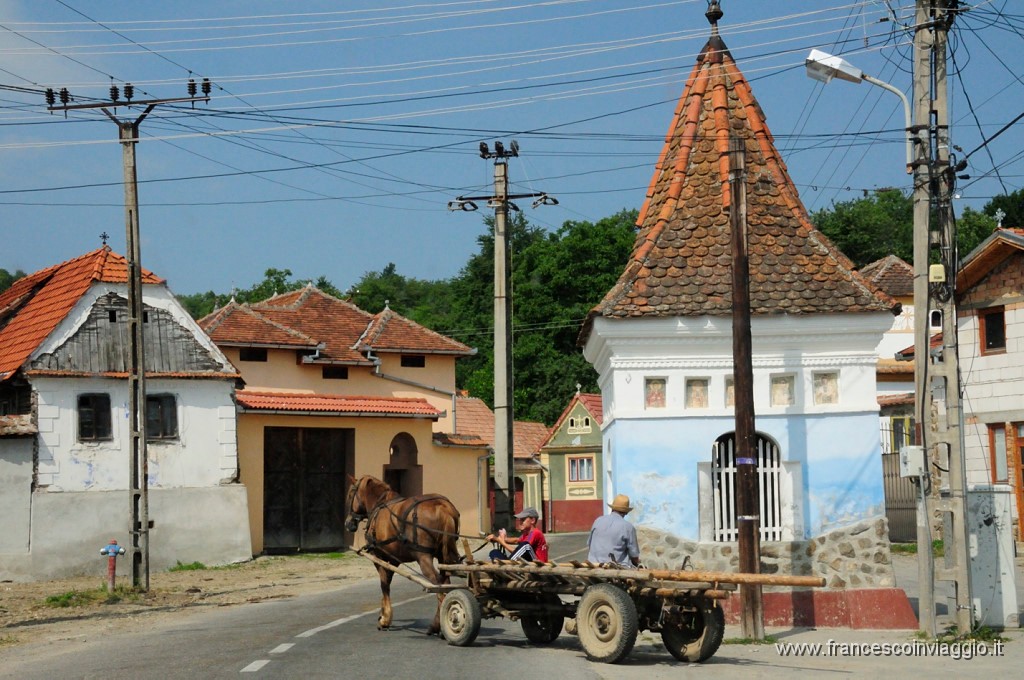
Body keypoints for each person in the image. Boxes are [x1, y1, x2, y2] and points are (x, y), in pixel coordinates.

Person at [587, 494, 641, 567]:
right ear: (626, 512)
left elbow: (589, 544)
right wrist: (638, 563)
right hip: (615, 567)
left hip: (593, 564)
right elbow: (634, 555)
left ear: (612, 508)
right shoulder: (628, 527)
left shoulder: (598, 520)